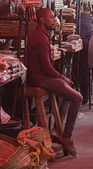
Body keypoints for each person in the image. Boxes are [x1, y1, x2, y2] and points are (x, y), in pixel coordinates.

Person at [26, 8, 82, 156]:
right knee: (77, 97)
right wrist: (61, 77)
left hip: (41, 77)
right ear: (42, 20)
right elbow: (46, 68)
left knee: (70, 91)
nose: (54, 20)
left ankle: (57, 130)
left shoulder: (41, 36)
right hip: (40, 79)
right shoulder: (40, 38)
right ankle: (67, 135)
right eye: (51, 18)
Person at [78, 1, 93, 105]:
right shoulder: (89, 17)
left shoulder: (83, 17)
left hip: (84, 45)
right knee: (89, 71)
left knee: (84, 71)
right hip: (90, 45)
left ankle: (86, 97)